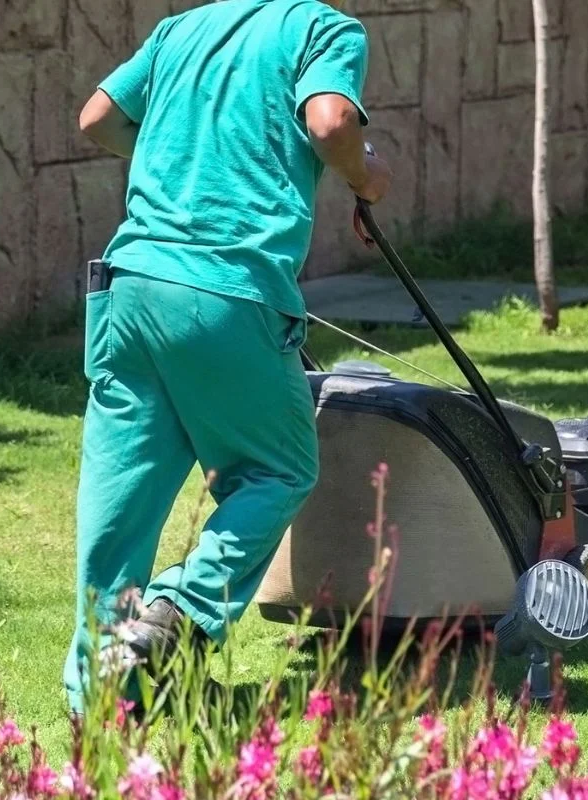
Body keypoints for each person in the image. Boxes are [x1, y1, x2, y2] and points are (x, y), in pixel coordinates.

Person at [63, 0, 392, 716]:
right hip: (223, 292)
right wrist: (366, 178)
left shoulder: (181, 28)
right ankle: (178, 610)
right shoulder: (322, 28)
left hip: (129, 288)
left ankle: (103, 697)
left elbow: (98, 119)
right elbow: (331, 122)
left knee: (120, 504)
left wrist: (186, 156)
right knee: (278, 469)